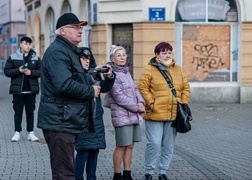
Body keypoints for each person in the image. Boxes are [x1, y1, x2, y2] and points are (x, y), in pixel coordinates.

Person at [37, 13, 113, 180]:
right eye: (76, 27)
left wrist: (94, 73)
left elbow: (74, 78)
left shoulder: (68, 51)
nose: (80, 30)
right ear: (62, 31)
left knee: (66, 171)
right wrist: (90, 90)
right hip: (59, 122)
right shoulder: (58, 52)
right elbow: (64, 85)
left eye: (81, 27)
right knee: (64, 174)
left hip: (65, 119)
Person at [138, 42, 191, 180]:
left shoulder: (178, 70)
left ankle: (163, 172)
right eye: (163, 53)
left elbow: (186, 87)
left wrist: (183, 102)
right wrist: (150, 102)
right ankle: (149, 172)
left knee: (168, 145)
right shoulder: (149, 69)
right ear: (157, 55)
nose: (167, 55)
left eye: (169, 52)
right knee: (154, 143)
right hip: (155, 113)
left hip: (173, 114)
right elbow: (142, 87)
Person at [75, 47, 115, 180]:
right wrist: (93, 71)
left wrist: (109, 76)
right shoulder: (74, 73)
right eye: (83, 58)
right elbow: (80, 83)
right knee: (83, 152)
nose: (87, 61)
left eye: (88, 59)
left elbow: (104, 88)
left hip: (96, 118)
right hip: (82, 118)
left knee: (94, 151)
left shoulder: (93, 73)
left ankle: (92, 178)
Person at [106, 45, 146, 180]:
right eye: (118, 55)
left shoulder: (126, 72)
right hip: (121, 115)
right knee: (121, 145)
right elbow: (118, 97)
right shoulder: (112, 74)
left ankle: (127, 173)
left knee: (130, 145)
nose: (122, 57)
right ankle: (117, 175)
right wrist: (137, 107)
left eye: (124, 55)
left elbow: (135, 89)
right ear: (112, 58)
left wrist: (141, 102)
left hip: (132, 114)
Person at [4, 36, 41, 142]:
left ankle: (31, 133)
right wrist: (18, 71)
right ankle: (17, 132)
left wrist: (31, 73)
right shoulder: (13, 57)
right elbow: (7, 71)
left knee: (30, 112)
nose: (27, 46)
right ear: (21, 44)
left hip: (30, 91)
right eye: (25, 44)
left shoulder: (35, 57)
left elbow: (42, 71)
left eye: (29, 44)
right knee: (18, 112)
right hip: (18, 91)